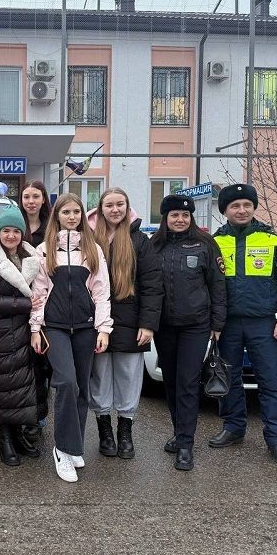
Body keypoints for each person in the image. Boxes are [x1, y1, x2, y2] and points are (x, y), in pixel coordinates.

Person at [210, 183, 277, 469]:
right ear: (224, 210)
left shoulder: (274, 241)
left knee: (271, 381)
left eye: (246, 205)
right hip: (228, 325)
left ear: (253, 207)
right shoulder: (214, 242)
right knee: (229, 379)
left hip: (263, 322)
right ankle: (234, 427)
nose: (241, 210)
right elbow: (207, 285)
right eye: (234, 205)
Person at [30, 193, 112, 483]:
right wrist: (35, 328)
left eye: (76, 211)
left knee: (81, 389)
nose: (72, 216)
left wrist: (103, 329)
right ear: (57, 216)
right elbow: (38, 293)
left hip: (86, 328)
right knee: (65, 382)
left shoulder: (93, 250)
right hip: (55, 327)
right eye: (66, 211)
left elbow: (102, 291)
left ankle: (75, 445)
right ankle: (62, 450)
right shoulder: (44, 250)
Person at [151, 194, 226, 472]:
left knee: (186, 383)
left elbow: (218, 286)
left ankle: (186, 444)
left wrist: (217, 324)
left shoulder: (206, 244)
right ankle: (178, 431)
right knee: (170, 383)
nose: (180, 220)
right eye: (174, 215)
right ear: (165, 219)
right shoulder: (154, 246)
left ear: (191, 218)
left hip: (196, 326)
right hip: (165, 327)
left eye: (185, 215)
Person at [88, 188, 162, 459]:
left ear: (127, 207)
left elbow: (152, 284)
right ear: (100, 209)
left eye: (120, 204)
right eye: (109, 205)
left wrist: (148, 324)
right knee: (100, 376)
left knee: (129, 377)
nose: (115, 209)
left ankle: (125, 431)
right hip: (96, 321)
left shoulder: (140, 241)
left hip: (131, 320)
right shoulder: (89, 238)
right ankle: (105, 431)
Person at [0, 205, 42, 466]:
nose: (11, 236)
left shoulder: (32, 257)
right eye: (6, 231)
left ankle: (19, 434)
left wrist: (33, 311)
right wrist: (26, 305)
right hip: (0, 331)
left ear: (22, 234)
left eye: (16, 231)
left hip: (27, 329)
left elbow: (41, 290)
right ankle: (5, 437)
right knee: (5, 384)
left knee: (25, 384)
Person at [20, 180, 52, 440]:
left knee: (41, 365)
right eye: (26, 196)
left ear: (43, 200)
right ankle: (20, 414)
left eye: (35, 196)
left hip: (46, 304)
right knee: (22, 365)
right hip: (18, 305)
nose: (31, 201)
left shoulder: (52, 228)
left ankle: (39, 415)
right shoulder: (14, 226)